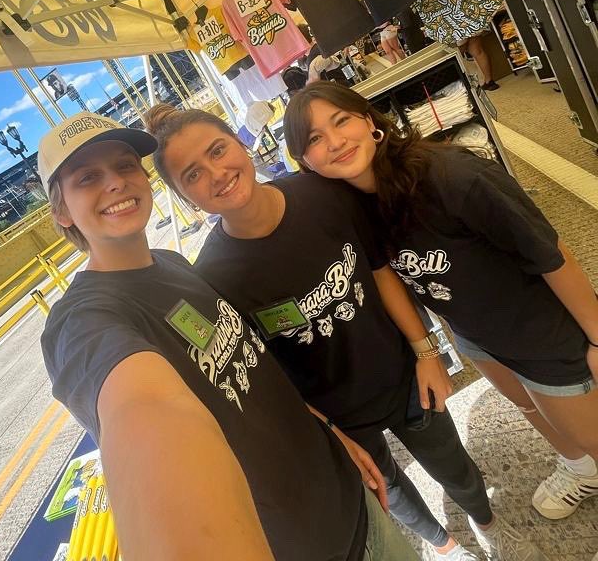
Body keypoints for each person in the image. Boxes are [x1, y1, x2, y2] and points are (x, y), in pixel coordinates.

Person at [145, 103, 544, 561]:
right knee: (388, 488)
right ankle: (447, 547)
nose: (216, 173)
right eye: (192, 175)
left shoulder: (320, 193)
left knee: (454, 466)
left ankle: (489, 523)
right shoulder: (214, 277)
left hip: (403, 378)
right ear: (182, 197)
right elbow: (264, 373)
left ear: (241, 143)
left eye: (218, 150)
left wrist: (426, 351)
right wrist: (331, 433)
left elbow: (377, 269)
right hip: (341, 416)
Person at [37, 110, 420, 561]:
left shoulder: (174, 265)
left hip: (349, 499)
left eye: (124, 166)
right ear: (61, 211)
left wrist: (330, 432)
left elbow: (255, 375)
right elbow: (146, 416)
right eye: (87, 178)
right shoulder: (83, 321)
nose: (116, 183)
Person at [283, 80, 598, 526]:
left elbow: (549, 251)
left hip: (542, 333)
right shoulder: (356, 208)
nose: (334, 142)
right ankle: (582, 471)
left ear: (369, 120)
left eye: (341, 121)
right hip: (477, 338)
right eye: (314, 139)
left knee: (589, 431)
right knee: (530, 407)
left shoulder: (451, 176)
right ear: (305, 161)